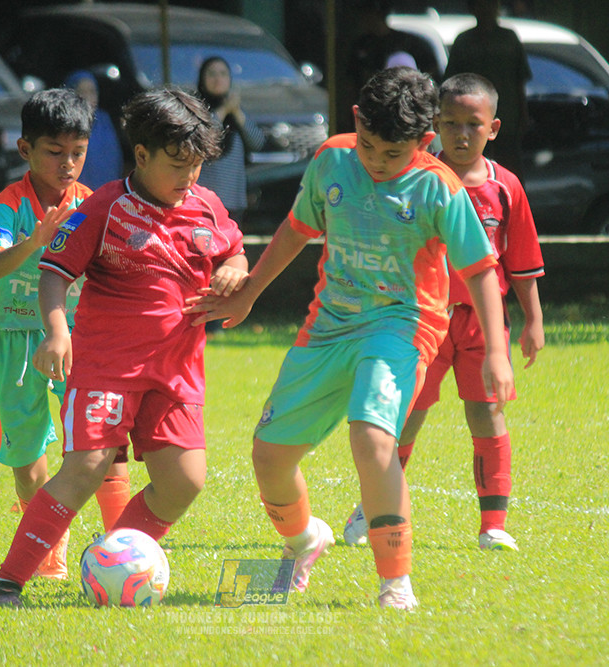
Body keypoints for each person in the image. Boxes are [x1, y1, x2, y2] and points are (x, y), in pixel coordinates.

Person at [185, 67, 514, 610]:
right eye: (369, 146)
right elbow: (297, 229)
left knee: (371, 436)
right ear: (356, 122)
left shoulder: (438, 186)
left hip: (402, 325)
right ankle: (305, 540)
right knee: (268, 456)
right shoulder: (332, 161)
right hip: (329, 325)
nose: (378, 163)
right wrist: (248, 293)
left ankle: (395, 582)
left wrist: (497, 353)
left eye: (394, 154)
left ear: (424, 141)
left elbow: (479, 270)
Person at [0, 87, 249, 607]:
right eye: (177, 164)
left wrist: (234, 275)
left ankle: (111, 559)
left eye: (196, 165)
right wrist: (57, 331)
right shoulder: (103, 206)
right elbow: (54, 275)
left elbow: (232, 251)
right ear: (142, 156)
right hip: (107, 368)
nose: (189, 177)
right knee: (87, 466)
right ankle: (7, 581)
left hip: (177, 372)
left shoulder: (207, 207)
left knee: (184, 481)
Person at [343, 73, 544, 552]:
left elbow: (521, 261)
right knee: (403, 417)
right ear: (433, 125)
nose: (461, 133)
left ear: (492, 128)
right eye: (450, 122)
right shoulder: (414, 178)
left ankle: (493, 524)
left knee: (487, 416)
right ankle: (371, 509)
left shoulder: (506, 187)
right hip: (421, 319)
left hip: (480, 325)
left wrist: (533, 320)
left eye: (472, 124)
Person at [0, 88, 130, 583]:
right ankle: (50, 552)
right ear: (25, 151)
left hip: (76, 337)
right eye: (54, 152)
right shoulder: (9, 205)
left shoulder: (90, 204)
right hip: (12, 340)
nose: (68, 164)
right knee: (28, 454)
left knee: (100, 439)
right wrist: (34, 241)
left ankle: (122, 548)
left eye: (77, 153)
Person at [444, 0, 532, 179]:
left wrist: (524, 114)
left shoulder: (509, 38)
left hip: (507, 117)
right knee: (473, 164)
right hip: (471, 119)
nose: (488, 9)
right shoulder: (463, 41)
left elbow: (520, 80)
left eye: (492, 4)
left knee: (509, 168)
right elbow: (451, 84)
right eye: (482, 5)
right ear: (473, 8)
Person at [337, 0, 440, 134]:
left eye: (369, 13)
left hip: (403, 111)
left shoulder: (407, 43)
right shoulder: (362, 44)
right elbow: (350, 83)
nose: (364, 18)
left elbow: (431, 77)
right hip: (369, 111)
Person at [194, 56, 266, 224]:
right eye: (212, 74)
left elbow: (258, 143)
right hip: (202, 201)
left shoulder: (237, 112)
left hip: (233, 201)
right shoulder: (197, 109)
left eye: (223, 74)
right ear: (202, 79)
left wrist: (236, 113)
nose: (218, 79)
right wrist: (223, 111)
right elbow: (201, 136)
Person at [64, 70, 125, 190]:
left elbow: (115, 160)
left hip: (106, 196)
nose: (88, 97)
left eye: (92, 92)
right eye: (82, 92)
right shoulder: (65, 125)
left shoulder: (104, 120)